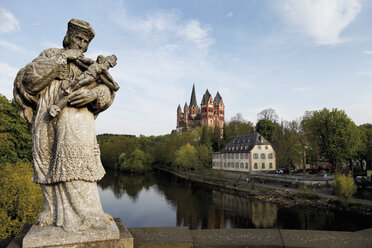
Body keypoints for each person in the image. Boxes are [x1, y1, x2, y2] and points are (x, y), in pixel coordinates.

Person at [13, 19, 116, 232]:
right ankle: (52, 212)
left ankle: (89, 213)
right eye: (78, 38)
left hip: (77, 120)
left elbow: (107, 91)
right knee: (47, 163)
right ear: (68, 37)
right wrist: (62, 58)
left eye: (85, 41)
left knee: (76, 161)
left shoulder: (87, 65)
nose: (80, 44)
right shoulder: (50, 55)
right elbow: (30, 81)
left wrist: (93, 94)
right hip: (46, 118)